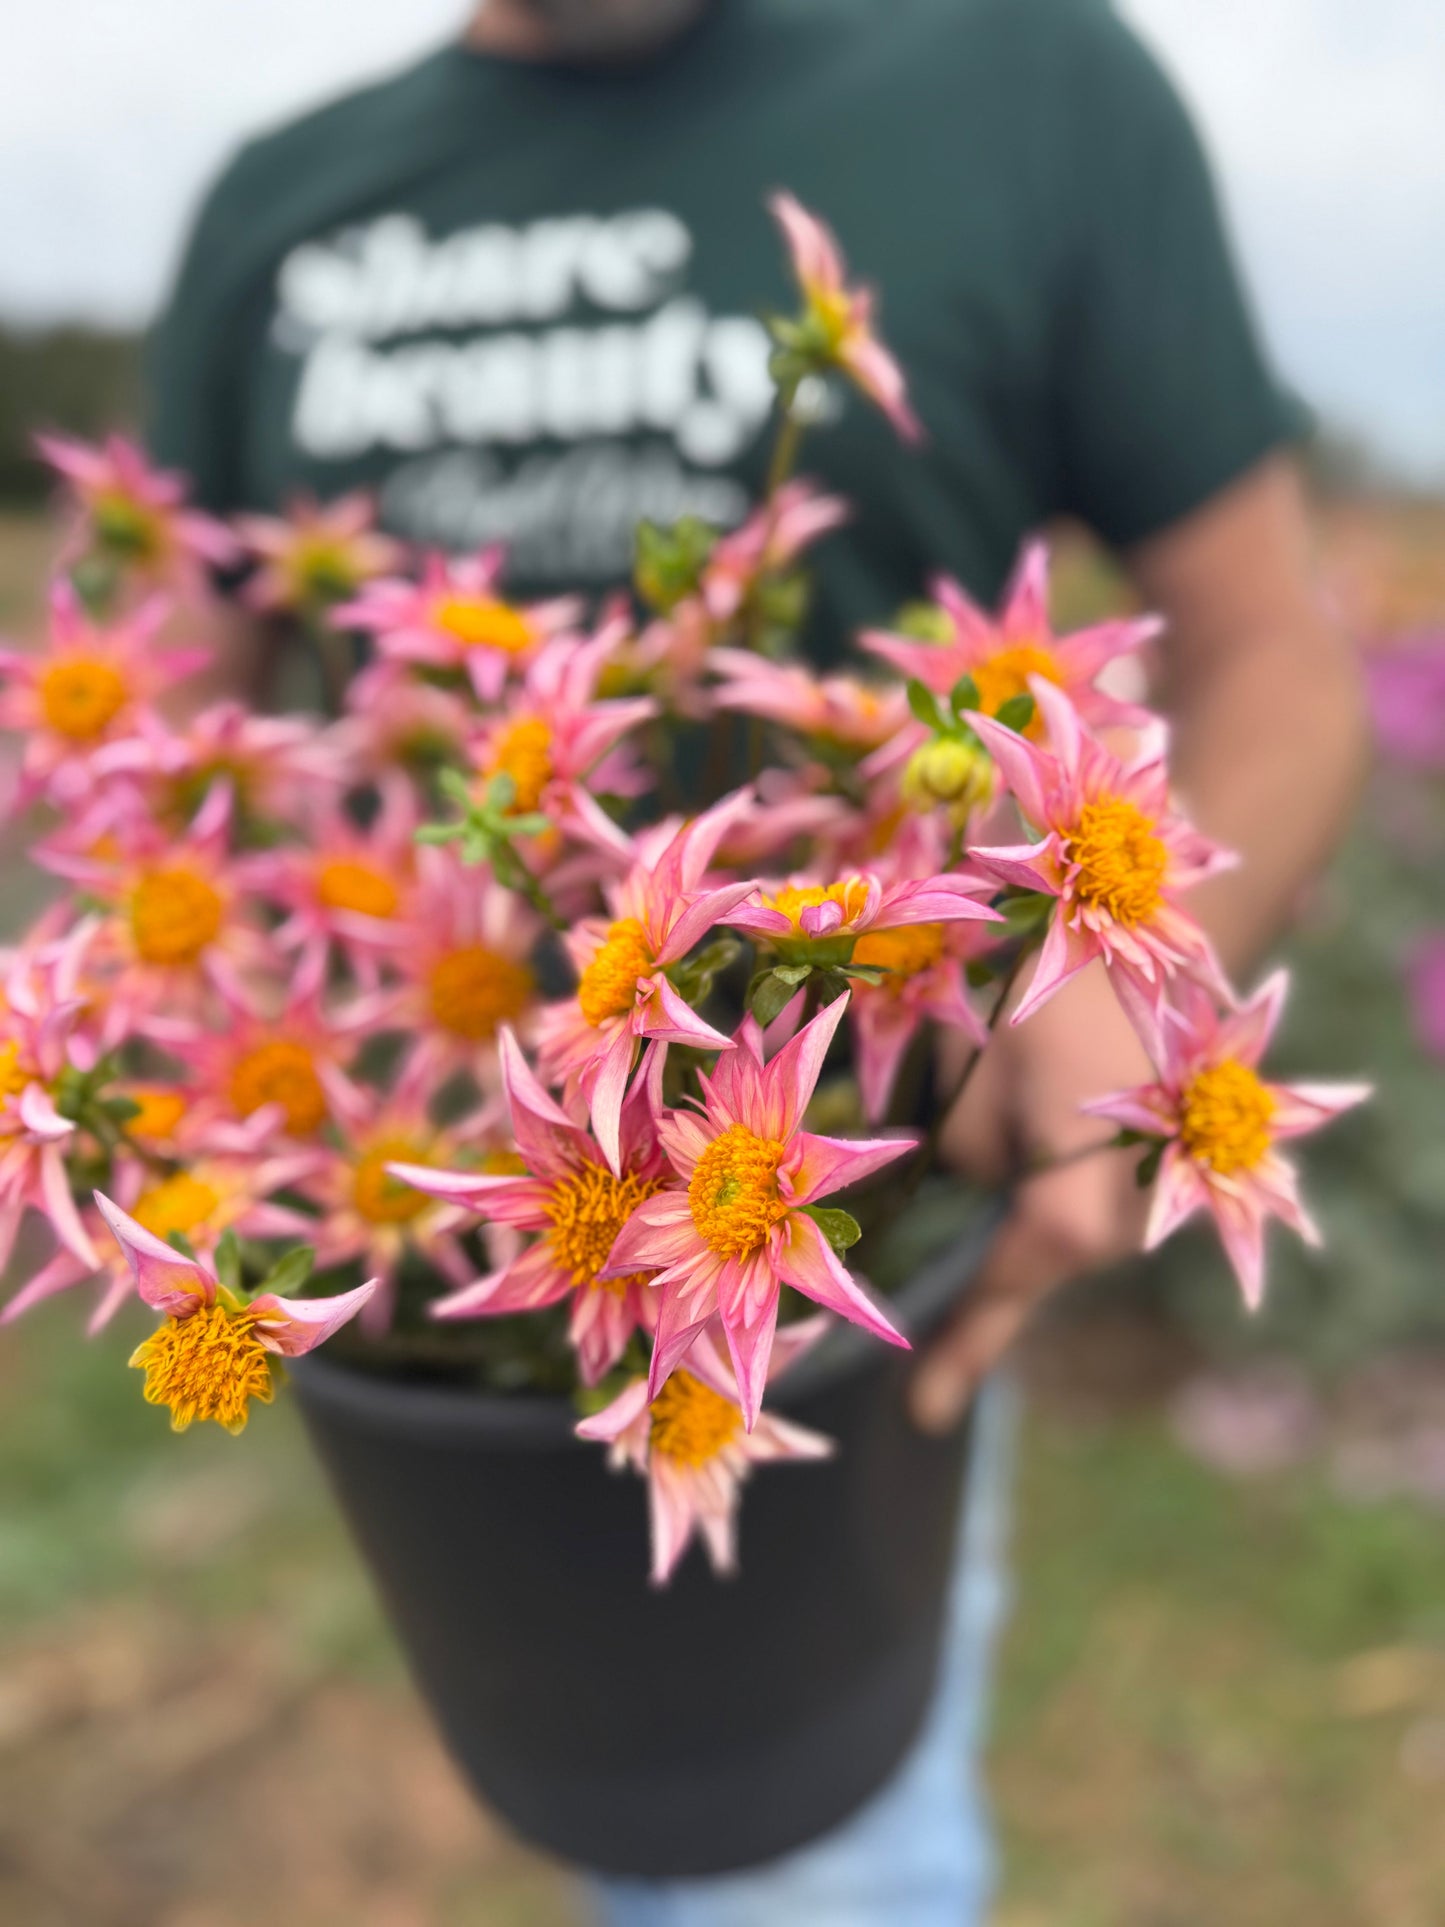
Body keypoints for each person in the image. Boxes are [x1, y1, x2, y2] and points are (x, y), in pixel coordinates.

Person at [146, 1, 1367, 1919]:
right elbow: (166, 746)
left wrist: (1141, 978)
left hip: (864, 1197)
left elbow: (1274, 655)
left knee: (801, 1865)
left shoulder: (1025, 79)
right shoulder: (281, 205)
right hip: (452, 1223)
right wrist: (200, 1081)